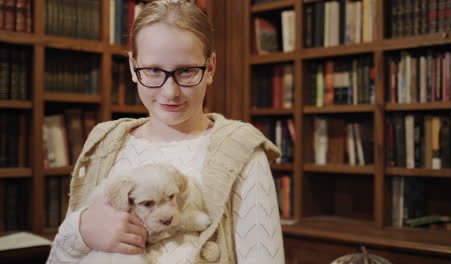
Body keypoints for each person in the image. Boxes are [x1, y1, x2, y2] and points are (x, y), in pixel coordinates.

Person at [46, 1, 284, 263]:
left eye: (187, 71)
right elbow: (58, 258)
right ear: (132, 67)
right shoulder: (104, 144)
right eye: (153, 70)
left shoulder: (242, 152)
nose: (170, 92)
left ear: (211, 68)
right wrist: (82, 231)